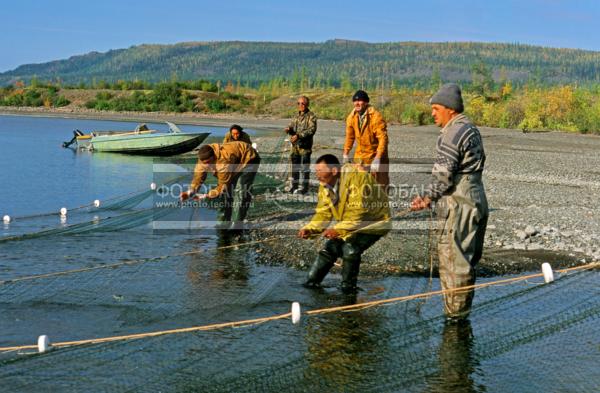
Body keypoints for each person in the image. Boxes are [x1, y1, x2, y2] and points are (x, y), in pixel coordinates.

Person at [410, 83, 489, 320]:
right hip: (475, 198)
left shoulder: (453, 132)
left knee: (455, 263)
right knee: (466, 262)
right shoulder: (470, 128)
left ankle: (455, 322)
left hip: (459, 203)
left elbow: (443, 177)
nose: (432, 113)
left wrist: (426, 198)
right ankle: (461, 317)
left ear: (450, 109)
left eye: (436, 108)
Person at [298, 154, 391, 293]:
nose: (317, 175)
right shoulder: (325, 185)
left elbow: (358, 213)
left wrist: (338, 229)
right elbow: (323, 213)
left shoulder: (358, 178)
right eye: (316, 171)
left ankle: (348, 289)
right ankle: (311, 283)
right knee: (330, 249)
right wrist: (310, 229)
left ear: (334, 171)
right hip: (349, 223)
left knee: (350, 249)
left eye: (320, 171)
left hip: (373, 223)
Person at [180, 142, 261, 230]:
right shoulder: (203, 159)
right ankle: (223, 222)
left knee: (241, 190)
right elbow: (198, 178)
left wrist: (206, 196)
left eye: (208, 162)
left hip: (249, 159)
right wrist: (189, 193)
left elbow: (222, 186)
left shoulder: (223, 161)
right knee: (226, 193)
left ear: (214, 157)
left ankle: (237, 225)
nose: (206, 165)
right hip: (234, 163)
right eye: (204, 163)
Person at [343, 90, 389, 188]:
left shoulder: (376, 117)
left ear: (366, 102)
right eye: (355, 101)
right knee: (359, 186)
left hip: (375, 155)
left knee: (379, 187)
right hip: (360, 155)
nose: (357, 103)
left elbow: (383, 138)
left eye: (360, 100)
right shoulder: (351, 117)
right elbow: (349, 137)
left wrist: (378, 158)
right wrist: (346, 153)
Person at [284, 95, 317, 194]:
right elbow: (291, 126)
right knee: (294, 167)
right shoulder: (296, 116)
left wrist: (298, 135)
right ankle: (294, 186)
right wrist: (288, 129)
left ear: (307, 104)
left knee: (305, 168)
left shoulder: (312, 116)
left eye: (303, 103)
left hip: (305, 147)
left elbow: (312, 130)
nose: (301, 105)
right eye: (299, 103)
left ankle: (305, 188)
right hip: (295, 147)